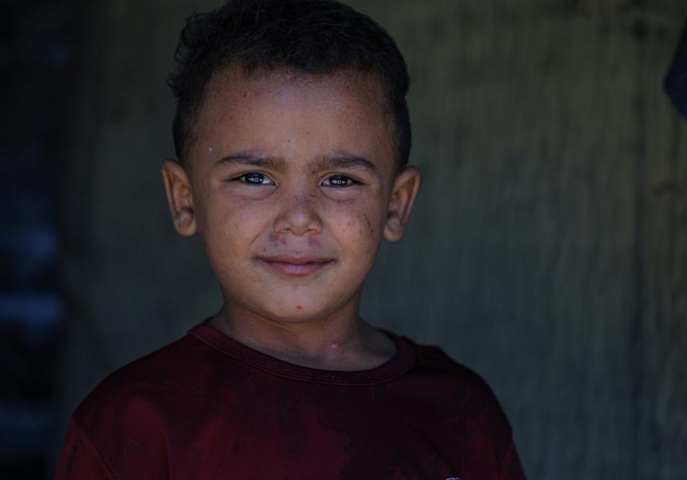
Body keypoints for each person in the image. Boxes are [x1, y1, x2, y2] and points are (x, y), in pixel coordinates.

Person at [53, 0, 525, 478]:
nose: (299, 219)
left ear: (397, 205)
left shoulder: (458, 410)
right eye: (254, 177)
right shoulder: (134, 425)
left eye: (340, 180)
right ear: (184, 199)